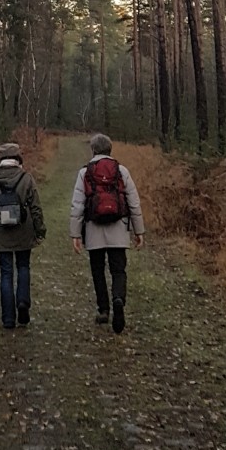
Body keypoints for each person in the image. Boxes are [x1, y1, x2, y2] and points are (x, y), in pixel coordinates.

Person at [69, 133, 145, 334]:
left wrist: (75, 234)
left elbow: (78, 205)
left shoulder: (84, 172)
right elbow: (134, 203)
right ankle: (118, 298)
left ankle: (104, 310)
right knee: (118, 270)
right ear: (111, 149)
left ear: (93, 150)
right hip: (118, 228)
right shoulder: (121, 171)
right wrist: (139, 231)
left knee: (97, 270)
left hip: (94, 229)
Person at [0, 142, 45, 329]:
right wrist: (40, 230)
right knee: (23, 267)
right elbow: (36, 208)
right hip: (24, 231)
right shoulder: (27, 178)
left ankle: (8, 318)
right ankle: (23, 301)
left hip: (1, 234)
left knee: (6, 273)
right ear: (17, 158)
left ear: (0, 159)